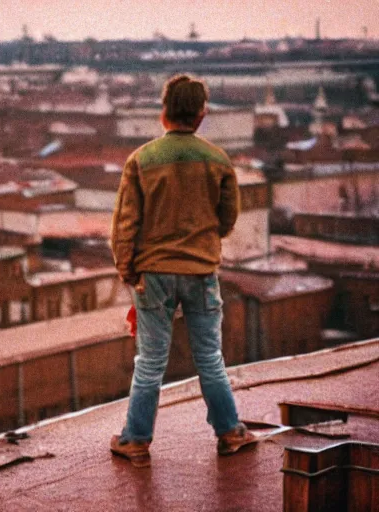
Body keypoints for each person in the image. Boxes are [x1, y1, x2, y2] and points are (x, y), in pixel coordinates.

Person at [109, 74, 256, 468]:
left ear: (164, 112)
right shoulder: (218, 160)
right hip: (201, 272)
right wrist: (203, 242)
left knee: (151, 361)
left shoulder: (140, 160)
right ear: (201, 114)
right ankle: (229, 433)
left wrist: (128, 272)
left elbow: (125, 225)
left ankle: (136, 440)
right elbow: (228, 218)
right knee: (210, 358)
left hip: (153, 274)